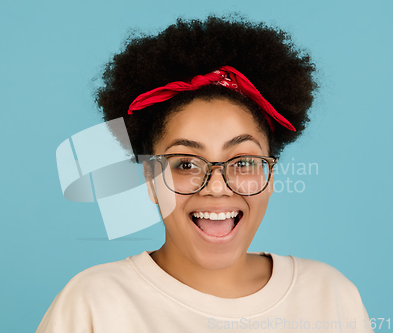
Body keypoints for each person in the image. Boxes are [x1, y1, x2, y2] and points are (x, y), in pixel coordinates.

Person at [36, 15, 373, 332]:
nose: (216, 188)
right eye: (185, 163)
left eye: (242, 162)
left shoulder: (331, 296)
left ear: (270, 177)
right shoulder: (93, 304)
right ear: (151, 180)